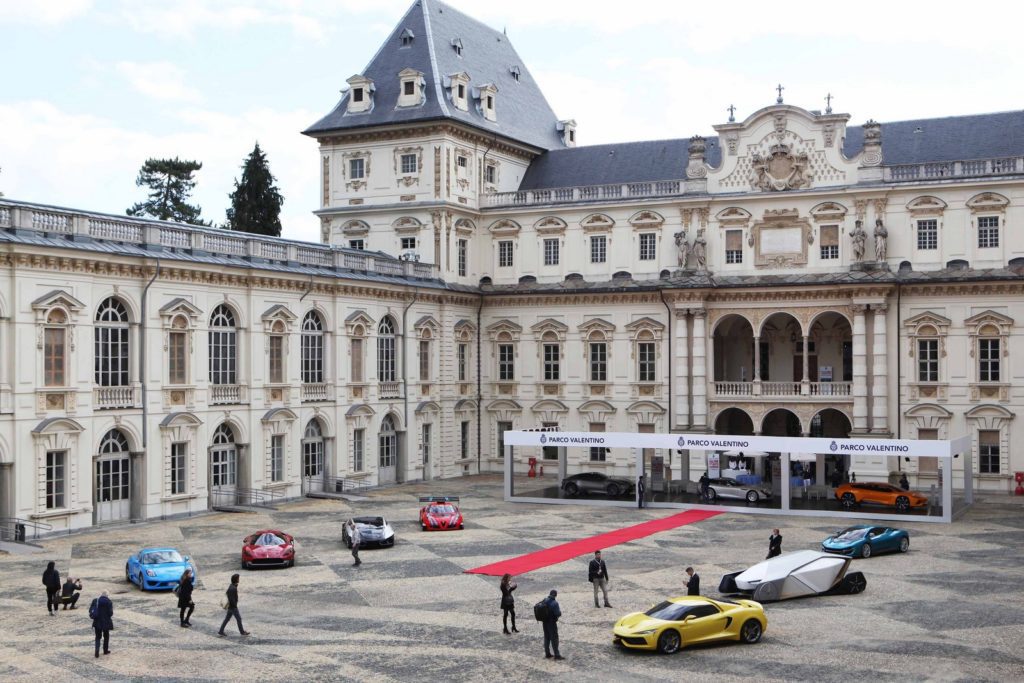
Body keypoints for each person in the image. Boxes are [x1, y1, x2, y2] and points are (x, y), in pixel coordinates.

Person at [540, 589, 563, 660]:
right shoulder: (554, 603)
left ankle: (547, 653)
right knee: (554, 638)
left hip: (544, 622)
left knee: (546, 637)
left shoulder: (544, 600)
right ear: (555, 595)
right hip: (551, 623)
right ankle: (557, 655)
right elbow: (558, 613)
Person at [91, 590, 114, 658]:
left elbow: (91, 610)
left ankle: (97, 651)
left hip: (97, 622)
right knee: (106, 636)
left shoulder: (95, 600)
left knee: (98, 637)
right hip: (106, 622)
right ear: (107, 595)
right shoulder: (109, 602)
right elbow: (110, 613)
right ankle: (105, 650)